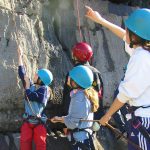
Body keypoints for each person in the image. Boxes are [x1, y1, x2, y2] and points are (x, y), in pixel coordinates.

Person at [86, 7, 150, 150]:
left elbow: (125, 94)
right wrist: (100, 20)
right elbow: (123, 36)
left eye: (128, 29)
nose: (125, 30)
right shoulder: (143, 51)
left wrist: (107, 116)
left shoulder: (141, 59)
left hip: (143, 121)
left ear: (135, 36)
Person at [51, 65, 99, 150]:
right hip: (84, 137)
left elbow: (73, 123)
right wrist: (59, 119)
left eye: (70, 77)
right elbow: (75, 118)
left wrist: (60, 120)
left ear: (75, 81)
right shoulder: (85, 94)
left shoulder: (79, 97)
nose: (68, 78)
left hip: (80, 139)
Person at [17, 46, 53, 150]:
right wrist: (20, 55)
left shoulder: (45, 90)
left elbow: (34, 97)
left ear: (41, 79)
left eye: (37, 75)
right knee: (24, 142)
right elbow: (22, 74)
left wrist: (27, 87)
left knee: (41, 144)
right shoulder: (31, 86)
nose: (34, 75)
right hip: (28, 121)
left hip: (39, 122)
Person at [62, 42, 103, 120]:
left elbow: (67, 96)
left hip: (74, 117)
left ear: (75, 56)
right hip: (93, 116)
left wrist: (65, 117)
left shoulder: (73, 73)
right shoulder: (95, 72)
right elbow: (99, 95)